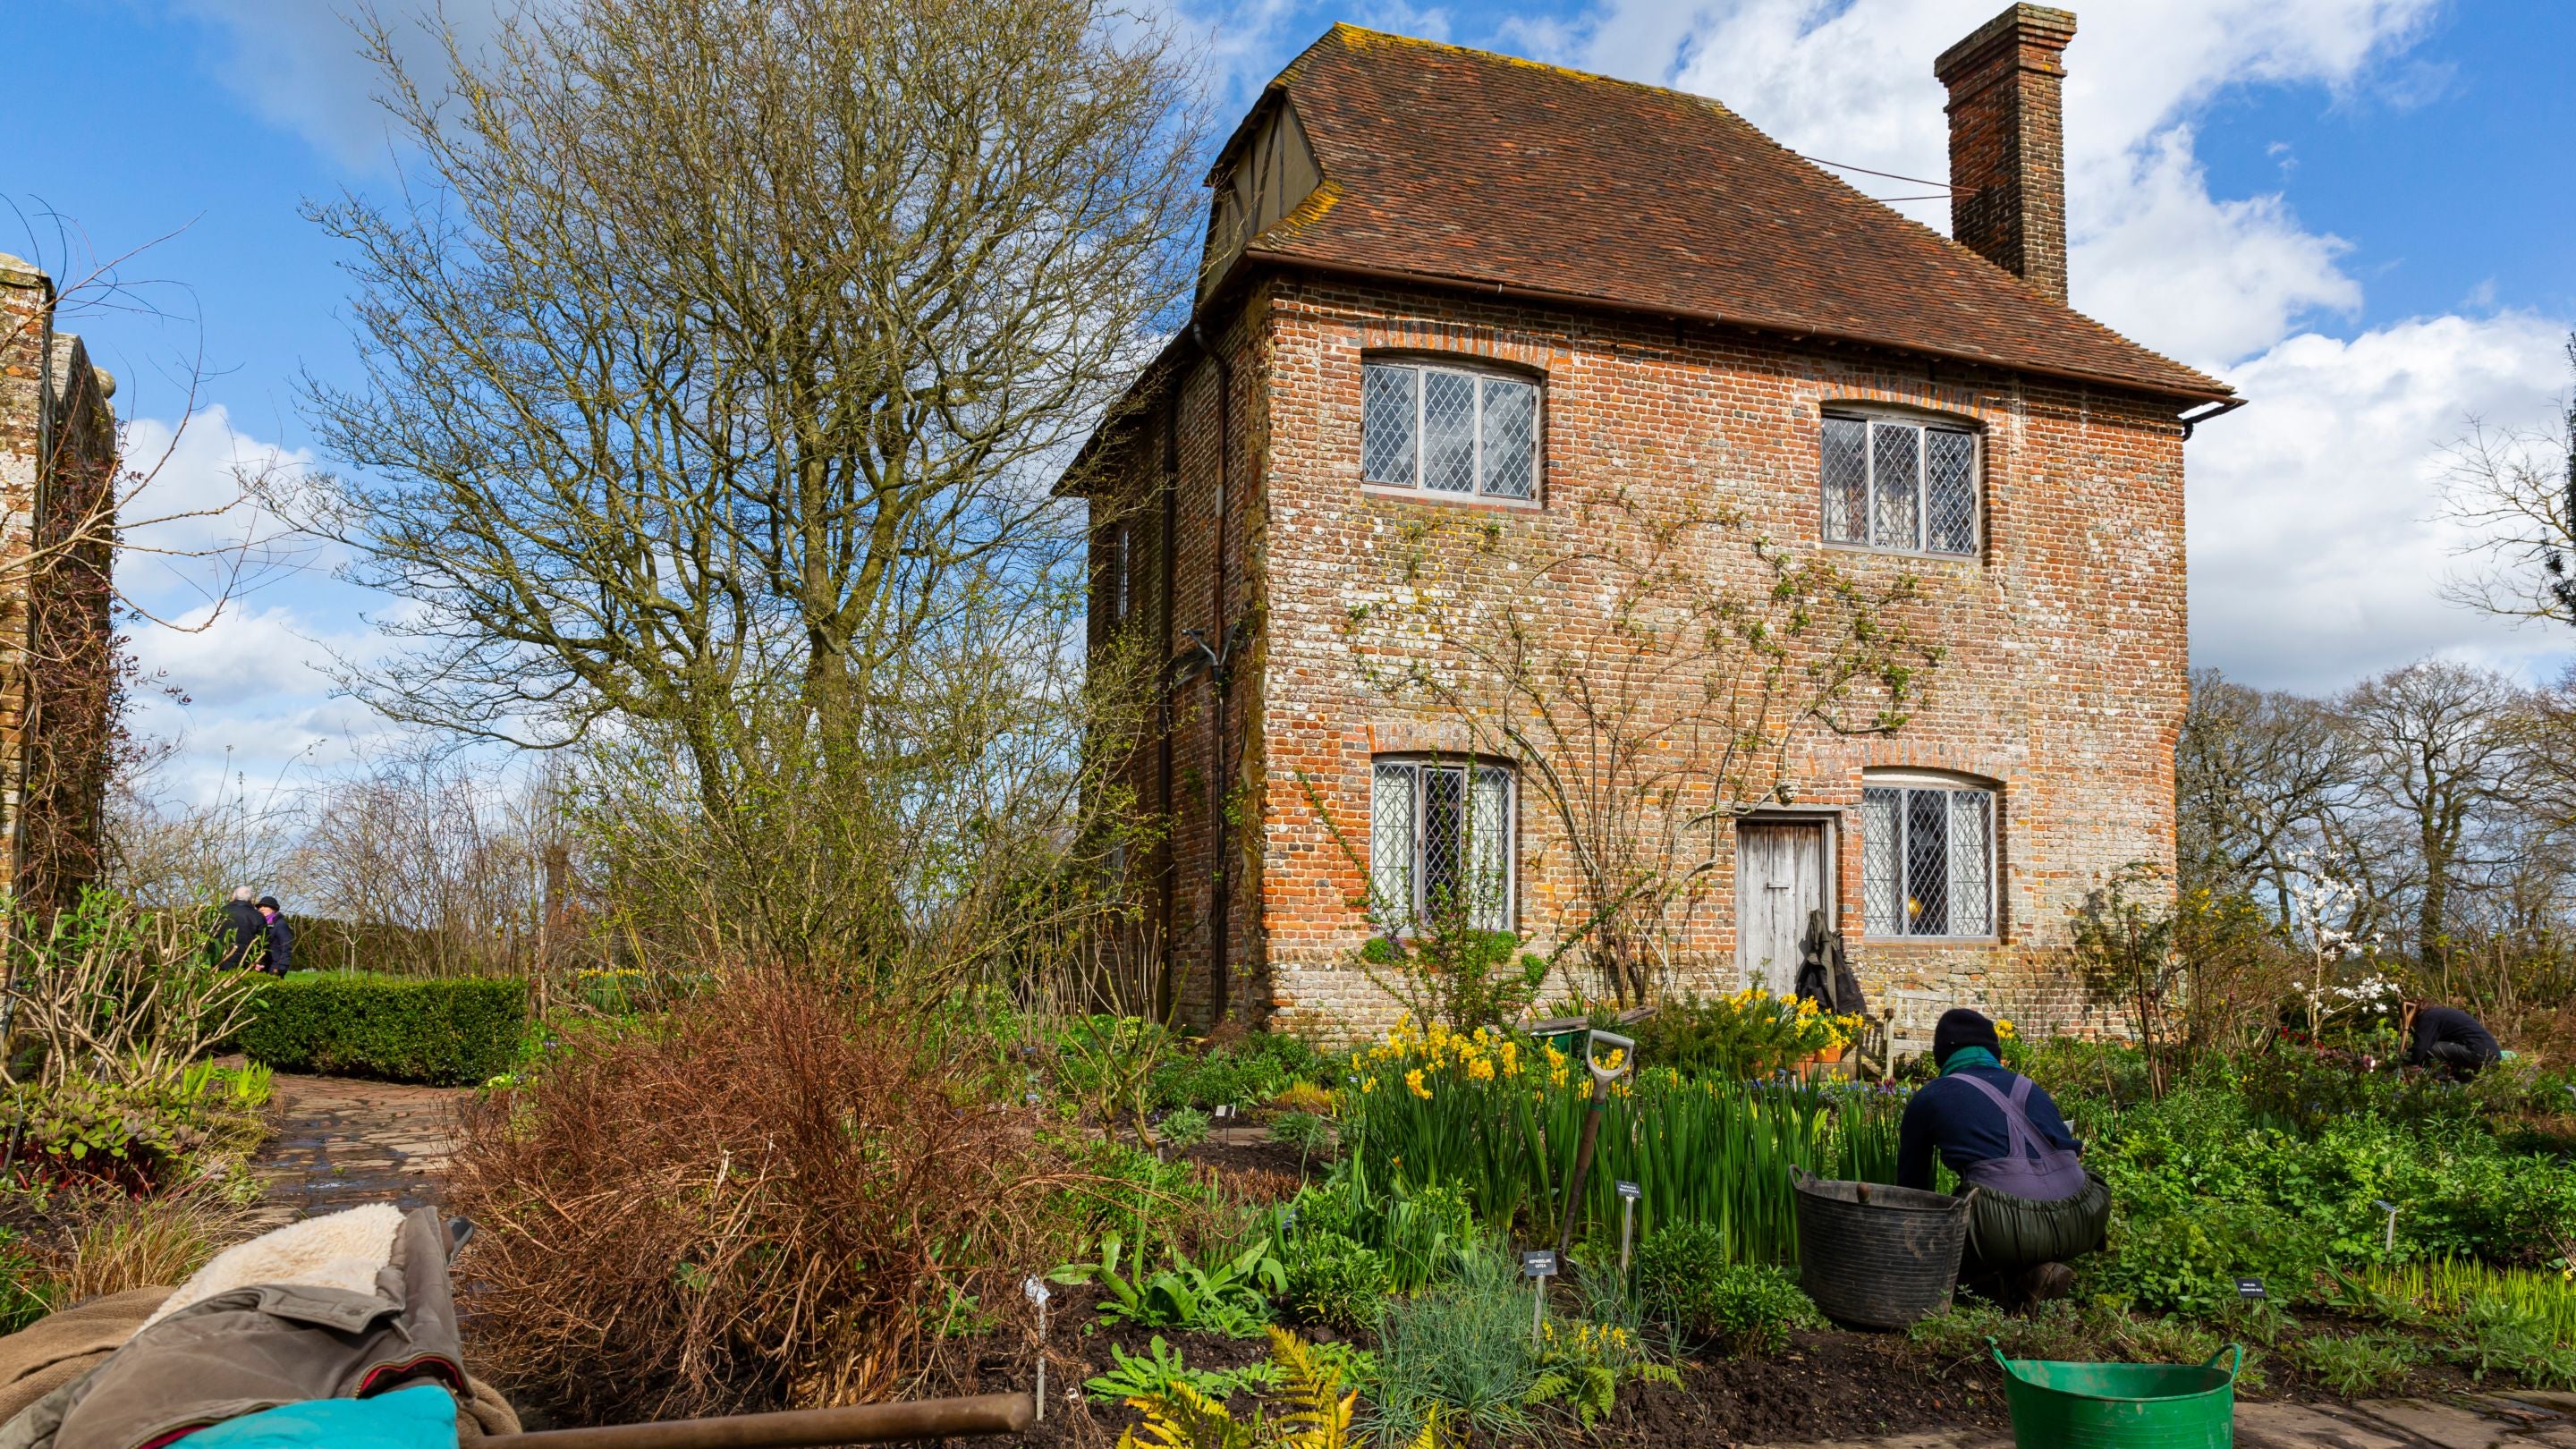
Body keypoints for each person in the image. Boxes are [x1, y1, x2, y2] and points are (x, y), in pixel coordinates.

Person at [1897, 1008, 2109, 1304]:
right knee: (2016, 1227)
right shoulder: (2032, 1087)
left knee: (1944, 1250)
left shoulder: (1931, 1096)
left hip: (2003, 1229)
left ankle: (2005, 1289)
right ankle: (2038, 1272)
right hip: (2084, 1215)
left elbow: (1912, 1190)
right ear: (1993, 1053)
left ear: (1942, 1056)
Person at [2402, 1000, 2501, 1080]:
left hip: (2477, 1053)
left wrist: (2413, 1063)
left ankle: (2441, 1081)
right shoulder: (2441, 1014)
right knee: (2454, 1073)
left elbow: (2420, 1047)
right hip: (2493, 1057)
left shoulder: (2429, 1016)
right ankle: (2450, 1085)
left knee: (2426, 1051)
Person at [212, 886, 266, 971]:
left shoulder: (221, 912)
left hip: (219, 959)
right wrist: (259, 961)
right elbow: (264, 940)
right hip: (245, 962)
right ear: (250, 900)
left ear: (233, 896)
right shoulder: (258, 916)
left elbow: (210, 934)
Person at [256, 895, 294, 976]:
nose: (261, 909)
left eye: (265, 906)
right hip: (262, 966)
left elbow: (286, 946)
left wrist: (283, 966)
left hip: (275, 966)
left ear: (274, 909)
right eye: (259, 907)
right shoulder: (260, 924)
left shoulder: (280, 924)